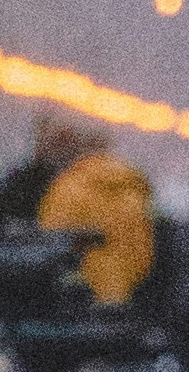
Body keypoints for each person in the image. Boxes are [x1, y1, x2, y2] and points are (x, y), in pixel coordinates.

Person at [31, 116, 157, 307]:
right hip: (120, 295)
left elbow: (50, 246)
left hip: (72, 296)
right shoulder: (132, 191)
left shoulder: (67, 188)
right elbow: (142, 256)